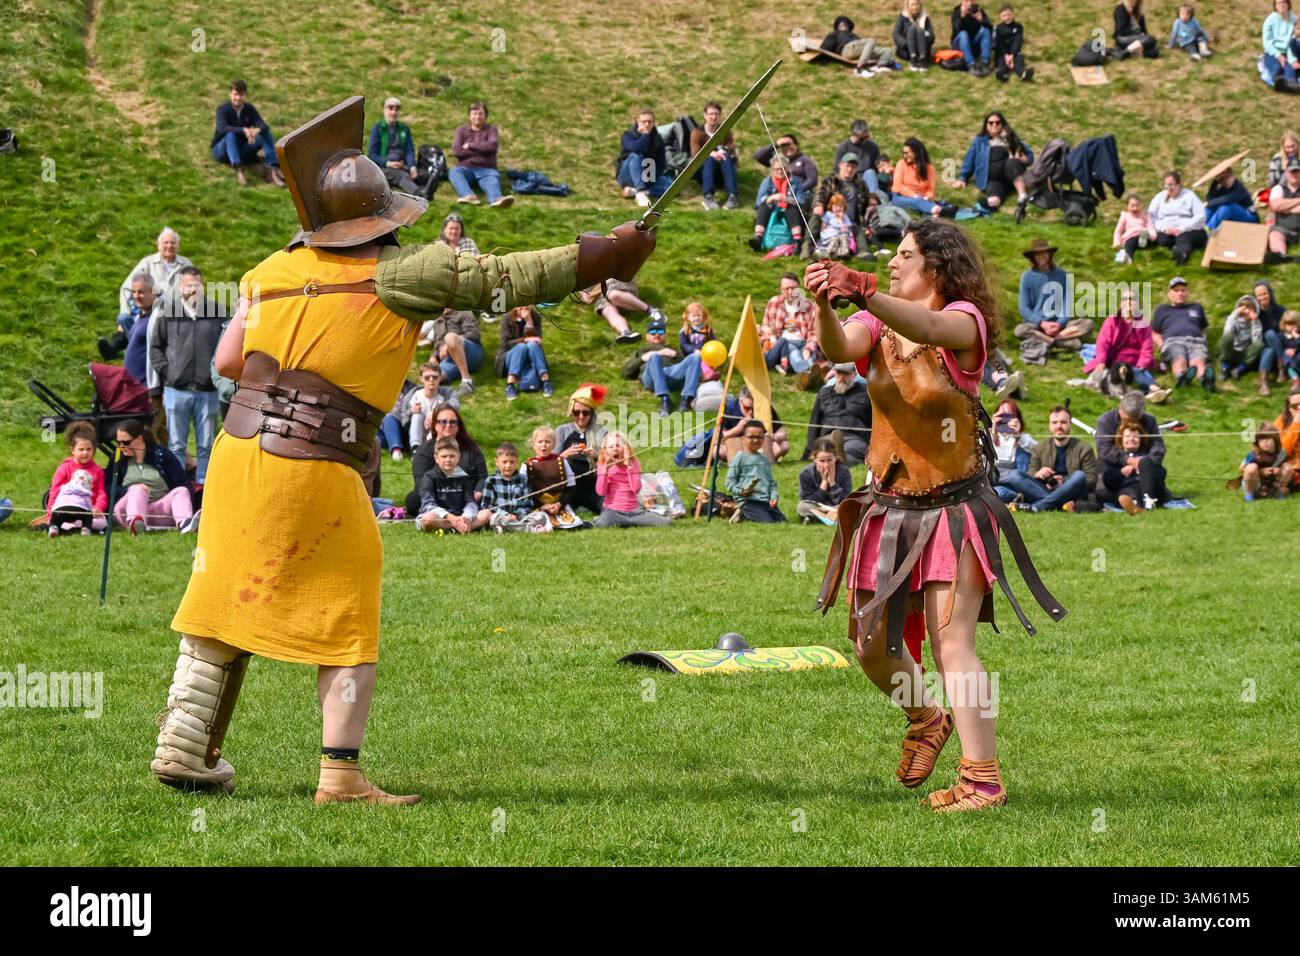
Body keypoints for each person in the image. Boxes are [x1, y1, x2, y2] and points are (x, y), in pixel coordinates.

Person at [155, 96, 653, 802]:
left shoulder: (267, 271)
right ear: (381, 219)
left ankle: (184, 746)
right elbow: (511, 276)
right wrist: (610, 254)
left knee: (223, 592)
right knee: (345, 607)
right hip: (315, 461)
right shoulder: (399, 274)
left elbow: (232, 359)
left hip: (238, 453)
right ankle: (341, 775)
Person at [805, 219, 1066, 813]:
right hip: (889, 508)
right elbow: (839, 348)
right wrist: (826, 304)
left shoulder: (963, 321)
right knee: (872, 648)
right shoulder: (873, 322)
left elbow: (923, 324)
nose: (893, 263)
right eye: (891, 256)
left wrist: (863, 287)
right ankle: (926, 718)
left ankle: (982, 781)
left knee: (953, 643)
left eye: (904, 256)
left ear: (937, 268)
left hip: (954, 510)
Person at [151, 266, 225, 484]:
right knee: (176, 444)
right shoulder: (167, 312)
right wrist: (167, 371)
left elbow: (226, 345)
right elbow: (156, 347)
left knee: (207, 443)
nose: (193, 289)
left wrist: (216, 375)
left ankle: (203, 486)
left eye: (197, 285)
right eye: (188, 285)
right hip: (176, 390)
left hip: (208, 390)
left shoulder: (217, 312)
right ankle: (178, 485)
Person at [104, 230, 193, 360]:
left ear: (178, 246)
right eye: (166, 243)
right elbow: (126, 287)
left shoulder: (186, 264)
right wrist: (126, 311)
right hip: (147, 310)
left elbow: (194, 289)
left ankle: (123, 346)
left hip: (174, 313)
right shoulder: (147, 262)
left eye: (173, 243)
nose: (169, 246)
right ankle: (138, 347)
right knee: (124, 318)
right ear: (158, 245)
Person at [1083, 288, 1169, 403]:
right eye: (1125, 299)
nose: (1128, 302)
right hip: (1113, 359)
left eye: (1132, 299)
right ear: (1121, 303)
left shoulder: (1144, 323)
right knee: (1093, 358)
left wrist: (1143, 363)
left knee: (1139, 374)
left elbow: (1147, 348)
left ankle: (1154, 391)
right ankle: (1148, 392)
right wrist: (1102, 361)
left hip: (1133, 361)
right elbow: (1103, 343)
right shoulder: (1112, 320)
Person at [111, 418, 195, 534]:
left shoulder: (162, 455)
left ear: (140, 438)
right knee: (138, 490)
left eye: (125, 442)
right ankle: (136, 524)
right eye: (118, 443)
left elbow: (184, 483)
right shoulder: (117, 457)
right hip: (125, 510)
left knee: (182, 490)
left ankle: (185, 524)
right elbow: (107, 487)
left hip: (156, 510)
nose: (121, 446)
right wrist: (129, 489)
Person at [1015, 238, 1092, 364]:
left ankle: (1049, 340)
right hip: (1038, 325)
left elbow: (1067, 305)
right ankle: (1061, 342)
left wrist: (1059, 324)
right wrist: (1042, 323)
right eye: (1038, 254)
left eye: (1044, 253)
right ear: (1033, 257)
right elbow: (1024, 308)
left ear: (1050, 255)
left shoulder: (1062, 275)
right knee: (1020, 330)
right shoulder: (1027, 277)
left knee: (1087, 324)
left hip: (1059, 325)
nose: (1041, 257)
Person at [405, 404, 486, 518]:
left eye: (453, 422)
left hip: (467, 496)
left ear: (458, 425)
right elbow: (420, 482)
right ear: (435, 425)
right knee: (413, 500)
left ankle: (466, 519)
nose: (448, 425)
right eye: (443, 422)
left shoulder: (471, 448)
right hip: (436, 496)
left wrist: (478, 492)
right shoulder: (424, 451)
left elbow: (483, 476)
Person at [1095, 390, 1169, 509]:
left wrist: (1144, 464)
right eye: (1127, 419)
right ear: (1120, 407)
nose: (1130, 424)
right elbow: (1105, 449)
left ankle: (1142, 501)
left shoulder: (1150, 421)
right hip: (1116, 470)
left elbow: (1158, 447)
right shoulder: (1105, 421)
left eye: (1135, 420)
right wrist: (1129, 461)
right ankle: (1137, 500)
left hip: (1144, 468)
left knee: (1157, 474)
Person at [951, 111, 1032, 212]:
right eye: (991, 123)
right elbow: (970, 158)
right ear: (986, 125)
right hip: (992, 180)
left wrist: (1021, 159)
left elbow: (1029, 156)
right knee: (992, 201)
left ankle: (1022, 196)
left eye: (997, 122)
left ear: (1002, 124)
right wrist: (963, 178)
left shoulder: (1012, 138)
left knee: (1012, 162)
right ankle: (989, 207)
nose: (994, 125)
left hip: (1011, 174)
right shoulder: (979, 141)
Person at [622, 311, 701, 415]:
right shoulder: (641, 351)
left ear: (665, 335)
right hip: (651, 378)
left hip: (672, 374)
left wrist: (676, 355)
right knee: (655, 357)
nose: (657, 334)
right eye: (653, 332)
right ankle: (665, 399)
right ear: (647, 336)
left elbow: (689, 368)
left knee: (695, 357)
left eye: (660, 331)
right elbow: (625, 373)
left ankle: (686, 399)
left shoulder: (672, 349)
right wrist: (642, 358)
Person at [1019, 407, 1096, 512]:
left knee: (1079, 475)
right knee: (1015, 476)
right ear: (1049, 426)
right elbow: (1030, 473)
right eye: (1054, 422)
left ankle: (1037, 507)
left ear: (1070, 425)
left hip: (1074, 492)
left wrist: (1065, 481)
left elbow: (1091, 480)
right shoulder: (1039, 448)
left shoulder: (1084, 448)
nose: (1059, 426)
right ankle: (1056, 503)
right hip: (1045, 489)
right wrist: (1038, 474)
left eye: (1063, 422)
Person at [210, 80, 285, 187]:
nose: (238, 98)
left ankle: (272, 169)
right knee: (230, 134)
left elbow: (263, 125)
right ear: (230, 94)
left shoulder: (249, 109)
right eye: (235, 94)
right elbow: (222, 129)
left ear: (245, 95)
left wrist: (256, 131)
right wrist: (244, 130)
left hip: (242, 148)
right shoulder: (223, 109)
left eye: (241, 95)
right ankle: (238, 169)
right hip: (222, 150)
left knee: (265, 133)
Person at [593, 432, 672, 528]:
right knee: (602, 523)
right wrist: (605, 469)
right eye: (611, 447)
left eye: (618, 445)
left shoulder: (634, 463)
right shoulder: (602, 464)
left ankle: (629, 521)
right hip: (613, 511)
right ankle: (601, 518)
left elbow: (636, 489)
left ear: (626, 449)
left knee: (666, 523)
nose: (615, 449)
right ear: (605, 450)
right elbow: (600, 492)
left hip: (635, 512)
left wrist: (629, 466)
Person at [44, 422, 108, 536]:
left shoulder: (98, 470)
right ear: (72, 450)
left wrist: (99, 507)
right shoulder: (64, 468)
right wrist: (50, 514)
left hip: (87, 511)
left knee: (102, 523)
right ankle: (76, 526)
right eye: (81, 449)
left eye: (88, 449)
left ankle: (75, 527)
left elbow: (101, 492)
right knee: (60, 518)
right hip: (66, 509)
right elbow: (54, 492)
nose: (85, 453)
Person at [414, 437, 490, 533]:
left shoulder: (464, 477)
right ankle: (460, 528)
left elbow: (471, 502)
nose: (448, 459)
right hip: (440, 517)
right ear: (436, 458)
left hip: (460, 516)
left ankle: (455, 529)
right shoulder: (429, 477)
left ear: (458, 457)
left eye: (452, 456)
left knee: (486, 514)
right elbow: (428, 505)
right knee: (428, 519)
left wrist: (465, 517)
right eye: (444, 456)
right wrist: (450, 518)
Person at [1152, 276, 1214, 391]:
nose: (1180, 293)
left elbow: (1203, 329)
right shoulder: (1162, 309)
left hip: (1196, 341)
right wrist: (1162, 344)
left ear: (1187, 293)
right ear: (1169, 294)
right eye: (1176, 291)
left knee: (1198, 361)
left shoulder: (1196, 307)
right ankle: (1182, 378)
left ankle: (1205, 380)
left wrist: (1203, 340)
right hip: (1173, 341)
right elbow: (1154, 332)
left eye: (1183, 290)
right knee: (1179, 359)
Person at [803, 362, 872, 465]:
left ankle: (838, 460)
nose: (841, 377)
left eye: (845, 374)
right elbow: (814, 424)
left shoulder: (866, 393)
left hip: (855, 438)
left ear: (854, 374)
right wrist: (808, 451)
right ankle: (836, 459)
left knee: (852, 451)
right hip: (828, 437)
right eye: (839, 373)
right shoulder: (824, 393)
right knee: (825, 449)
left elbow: (875, 422)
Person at [555, 384, 608, 516]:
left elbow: (610, 464)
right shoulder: (562, 430)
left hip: (593, 485)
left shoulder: (602, 432)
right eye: (576, 412)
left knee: (606, 509)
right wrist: (564, 455)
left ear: (592, 413)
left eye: (585, 413)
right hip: (569, 488)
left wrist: (597, 456)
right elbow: (551, 463)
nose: (581, 417)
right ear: (570, 412)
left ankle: (586, 505)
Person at [449, 101, 512, 208]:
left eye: (480, 114)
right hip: (465, 168)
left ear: (485, 116)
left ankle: (496, 199)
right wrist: (483, 149)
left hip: (486, 169)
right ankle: (468, 196)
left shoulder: (491, 130)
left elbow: (492, 146)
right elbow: (457, 151)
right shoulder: (461, 130)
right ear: (469, 116)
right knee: (454, 172)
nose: (477, 116)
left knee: (492, 179)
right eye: (474, 113)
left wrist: (470, 145)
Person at [806, 154, 869, 258]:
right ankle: (807, 248)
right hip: (831, 221)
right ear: (840, 165)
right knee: (815, 217)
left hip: (851, 223)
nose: (849, 169)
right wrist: (819, 204)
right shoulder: (830, 180)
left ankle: (864, 252)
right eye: (847, 166)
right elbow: (820, 194)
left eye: (853, 167)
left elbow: (866, 205)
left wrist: (867, 224)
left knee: (859, 230)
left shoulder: (861, 184)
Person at [523, 425, 585, 530]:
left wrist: (559, 504)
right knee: (535, 521)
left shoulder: (562, 462)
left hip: (559, 506)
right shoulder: (526, 466)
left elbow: (571, 488)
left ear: (554, 444)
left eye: (547, 441)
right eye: (540, 441)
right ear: (533, 444)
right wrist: (542, 506)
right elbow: (524, 492)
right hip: (537, 506)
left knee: (574, 524)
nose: (544, 445)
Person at [725, 420, 785, 522]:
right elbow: (729, 482)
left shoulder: (765, 459)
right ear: (743, 439)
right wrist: (741, 492)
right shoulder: (739, 458)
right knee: (767, 522)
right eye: (751, 437)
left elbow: (771, 482)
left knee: (782, 522)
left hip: (765, 501)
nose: (756, 440)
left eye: (759, 437)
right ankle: (741, 514)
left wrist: (773, 496)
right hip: (749, 501)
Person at [576, 278, 667, 344]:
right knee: (607, 310)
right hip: (600, 296)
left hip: (616, 284)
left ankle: (652, 311)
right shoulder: (581, 272)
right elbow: (586, 297)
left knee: (613, 295)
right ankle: (626, 332)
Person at [1104, 420, 1170, 512]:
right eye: (1127, 436)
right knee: (1128, 494)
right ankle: (1135, 505)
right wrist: (1121, 472)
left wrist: (1141, 467)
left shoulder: (1148, 456)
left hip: (1153, 489)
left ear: (1140, 439)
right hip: (1128, 487)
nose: (1131, 439)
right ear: (1121, 439)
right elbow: (1108, 480)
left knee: (1145, 462)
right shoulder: (1116, 458)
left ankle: (1149, 502)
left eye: (1135, 436)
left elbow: (1162, 473)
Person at [481, 442, 544, 533]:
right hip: (499, 516)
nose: (508, 466)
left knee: (540, 516)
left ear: (517, 462)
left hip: (519, 518)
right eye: (504, 462)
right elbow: (486, 506)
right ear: (497, 462)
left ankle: (507, 528)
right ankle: (531, 529)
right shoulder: (491, 481)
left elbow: (528, 505)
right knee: (493, 518)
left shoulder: (523, 480)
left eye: (512, 462)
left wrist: (516, 515)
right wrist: (506, 515)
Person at [1148, 170, 1208, 266]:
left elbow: (1200, 215)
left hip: (1188, 230)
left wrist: (1181, 228)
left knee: (1183, 237)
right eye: (1166, 185)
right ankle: (1177, 247)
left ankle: (1183, 255)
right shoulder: (1160, 197)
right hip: (1168, 230)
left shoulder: (1189, 196)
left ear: (1179, 184)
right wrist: (1164, 228)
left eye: (1171, 185)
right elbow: (1151, 215)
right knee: (1162, 239)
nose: (1169, 188)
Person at [617, 109, 674, 208]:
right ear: (637, 121)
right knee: (635, 156)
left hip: (647, 174)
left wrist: (650, 179)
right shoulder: (628, 135)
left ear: (654, 122)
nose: (647, 124)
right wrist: (645, 135)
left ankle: (637, 191)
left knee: (673, 187)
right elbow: (637, 148)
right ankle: (641, 190)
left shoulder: (658, 139)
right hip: (627, 174)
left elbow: (661, 164)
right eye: (644, 121)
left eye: (650, 121)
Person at [1218, 295, 1273, 396]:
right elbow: (1227, 331)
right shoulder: (1234, 319)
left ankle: (1239, 369)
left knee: (1260, 345)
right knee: (1227, 337)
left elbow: (1256, 340)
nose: (1246, 311)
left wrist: (1254, 322)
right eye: (1243, 307)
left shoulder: (1256, 322)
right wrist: (1235, 314)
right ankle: (1225, 368)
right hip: (1232, 352)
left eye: (1249, 308)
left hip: (1244, 354)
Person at [495, 305, 554, 399]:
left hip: (531, 355)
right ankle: (510, 384)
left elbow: (537, 340)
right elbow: (505, 343)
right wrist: (525, 340)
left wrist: (529, 322)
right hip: (509, 356)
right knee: (521, 347)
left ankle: (545, 380)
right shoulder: (507, 318)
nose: (525, 306)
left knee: (533, 345)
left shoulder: (536, 317)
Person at [420, 307, 483, 393]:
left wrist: (448, 344)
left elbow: (474, 334)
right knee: (431, 375)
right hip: (451, 359)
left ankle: (467, 382)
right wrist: (434, 356)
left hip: (472, 353)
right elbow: (438, 344)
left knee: (450, 337)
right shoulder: (438, 320)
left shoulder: (464, 312)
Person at [690, 101, 738, 210]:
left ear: (720, 116)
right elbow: (695, 154)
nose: (713, 117)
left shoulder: (725, 131)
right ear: (705, 115)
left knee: (725, 156)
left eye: (716, 114)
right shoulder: (697, 133)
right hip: (703, 172)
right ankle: (708, 196)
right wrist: (711, 153)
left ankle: (732, 196)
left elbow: (731, 148)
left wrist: (724, 151)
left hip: (723, 170)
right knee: (709, 159)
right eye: (711, 114)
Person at [720, 387, 788, 462]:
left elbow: (782, 432)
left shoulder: (765, 407)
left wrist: (774, 437)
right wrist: (738, 429)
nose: (751, 412)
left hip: (761, 447)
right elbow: (720, 437)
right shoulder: (729, 409)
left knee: (784, 446)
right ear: (740, 401)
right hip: (738, 448)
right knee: (718, 450)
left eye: (754, 409)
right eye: (747, 408)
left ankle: (761, 461)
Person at [367, 96, 419, 195]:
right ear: (385, 110)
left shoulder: (404, 129)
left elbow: (409, 150)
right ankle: (419, 193)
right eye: (390, 109)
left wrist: (412, 166)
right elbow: (372, 155)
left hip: (402, 164)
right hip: (383, 167)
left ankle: (424, 187)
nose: (393, 112)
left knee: (421, 174)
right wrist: (388, 163)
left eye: (396, 109)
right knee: (402, 175)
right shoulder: (378, 128)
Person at [988, 400, 1038, 504]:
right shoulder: (987, 436)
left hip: (1017, 482)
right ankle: (1020, 498)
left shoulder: (1023, 438)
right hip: (997, 484)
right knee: (998, 493)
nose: (1006, 420)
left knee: (1022, 450)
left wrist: (1018, 435)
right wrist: (992, 432)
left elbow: (1039, 450)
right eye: (1002, 416)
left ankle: (1021, 496)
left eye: (1009, 416)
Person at [798, 438, 855, 524]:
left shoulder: (844, 472)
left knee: (851, 507)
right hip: (817, 507)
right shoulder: (806, 473)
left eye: (829, 460)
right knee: (802, 506)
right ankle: (830, 519)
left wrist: (832, 483)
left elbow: (845, 500)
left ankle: (818, 518)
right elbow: (808, 499)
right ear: (814, 459)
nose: (826, 465)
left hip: (837, 507)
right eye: (822, 461)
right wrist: (824, 483)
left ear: (835, 458)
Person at [751, 161, 804, 252]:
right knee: (764, 206)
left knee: (792, 207)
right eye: (777, 169)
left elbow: (801, 201)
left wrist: (787, 199)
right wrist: (771, 198)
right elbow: (758, 201)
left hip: (789, 208)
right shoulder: (767, 182)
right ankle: (758, 238)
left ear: (787, 169)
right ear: (773, 170)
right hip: (772, 209)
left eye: (782, 169)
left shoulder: (796, 181)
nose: (780, 171)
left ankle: (797, 241)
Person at [754, 133, 819, 202]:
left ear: (796, 145)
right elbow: (758, 156)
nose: (787, 147)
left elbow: (812, 181)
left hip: (801, 194)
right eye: (784, 145)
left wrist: (796, 190)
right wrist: (776, 144)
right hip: (778, 193)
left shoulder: (805, 160)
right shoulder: (778, 161)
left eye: (789, 144)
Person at [407, 362, 458, 449]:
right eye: (427, 378)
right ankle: (415, 449)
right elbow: (403, 417)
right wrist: (411, 410)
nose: (431, 380)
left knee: (443, 417)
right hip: (417, 431)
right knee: (417, 415)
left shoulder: (444, 395)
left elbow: (456, 404)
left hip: (437, 431)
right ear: (421, 379)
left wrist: (435, 412)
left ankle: (432, 446)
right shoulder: (415, 394)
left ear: (440, 378)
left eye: (435, 377)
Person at [120, 273, 160, 382]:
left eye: (141, 292)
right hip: (134, 386)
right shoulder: (141, 314)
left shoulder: (159, 317)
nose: (136, 296)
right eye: (134, 292)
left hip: (147, 388)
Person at [891, 138, 944, 218]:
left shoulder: (929, 168)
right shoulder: (901, 164)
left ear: (916, 153)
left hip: (922, 198)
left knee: (922, 205)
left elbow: (930, 189)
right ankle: (939, 210)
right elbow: (897, 186)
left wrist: (927, 197)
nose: (905, 156)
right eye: (903, 153)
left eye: (907, 153)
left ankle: (933, 216)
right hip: (900, 197)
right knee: (917, 202)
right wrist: (914, 196)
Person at [1202, 161, 1257, 230]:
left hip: (1250, 217)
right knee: (1209, 208)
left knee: (1227, 208)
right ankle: (1200, 229)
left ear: (1230, 175)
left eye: (1225, 178)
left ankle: (1208, 229)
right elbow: (1210, 199)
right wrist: (1215, 181)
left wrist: (1208, 203)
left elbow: (1227, 199)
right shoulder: (1223, 189)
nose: (1223, 181)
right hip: (1234, 218)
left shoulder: (1239, 188)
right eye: (1221, 180)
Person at [1254, 280, 1288, 385]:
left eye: (1265, 294)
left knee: (1270, 334)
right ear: (1255, 298)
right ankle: (1265, 381)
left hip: (1281, 348)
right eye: (1259, 295)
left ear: (1270, 294)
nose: (1262, 297)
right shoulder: (1255, 313)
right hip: (1264, 349)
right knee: (1268, 347)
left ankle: (1281, 369)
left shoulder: (1281, 310)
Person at [1266, 157, 1300, 262]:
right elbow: (1275, 206)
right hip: (1282, 229)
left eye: (1297, 171)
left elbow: (1280, 206)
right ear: (1286, 172)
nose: (1294, 174)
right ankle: (1280, 256)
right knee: (1275, 235)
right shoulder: (1278, 188)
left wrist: (1286, 208)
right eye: (1292, 171)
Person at [832, 120, 881, 193]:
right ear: (853, 135)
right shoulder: (843, 148)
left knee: (870, 173)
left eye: (867, 137)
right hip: (850, 176)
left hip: (866, 177)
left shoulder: (873, 147)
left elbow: (877, 167)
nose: (865, 140)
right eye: (862, 138)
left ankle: (874, 199)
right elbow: (837, 169)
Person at [950, 1, 994, 75]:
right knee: (964, 34)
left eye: (971, 0)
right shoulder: (957, 11)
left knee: (985, 31)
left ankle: (984, 62)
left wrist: (982, 20)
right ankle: (971, 65)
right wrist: (962, 16)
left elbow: (991, 29)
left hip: (973, 43)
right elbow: (957, 29)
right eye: (967, 1)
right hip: (959, 45)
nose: (969, 3)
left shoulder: (978, 10)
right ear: (962, 2)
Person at [1112, 192, 1158, 264]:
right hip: (1132, 236)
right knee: (1129, 244)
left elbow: (1150, 226)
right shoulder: (1125, 216)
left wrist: (1153, 236)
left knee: (1153, 241)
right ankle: (1129, 258)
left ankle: (1144, 239)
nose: (1135, 208)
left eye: (1137, 205)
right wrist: (1117, 242)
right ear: (1127, 206)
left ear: (1141, 205)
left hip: (1143, 234)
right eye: (1132, 206)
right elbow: (1118, 230)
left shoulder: (1144, 215)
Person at [992, 4, 1034, 82]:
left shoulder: (1019, 26)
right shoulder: (998, 28)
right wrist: (1006, 55)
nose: (1007, 17)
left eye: (1009, 15)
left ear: (1013, 14)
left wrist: (1012, 54)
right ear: (1000, 17)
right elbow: (999, 43)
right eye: (1004, 16)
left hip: (1015, 53)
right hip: (1002, 54)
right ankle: (1002, 74)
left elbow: (1018, 41)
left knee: (1017, 63)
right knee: (1001, 63)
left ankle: (1023, 74)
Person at [1262, 0, 1298, 90]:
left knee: (1290, 68)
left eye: (1284, 2)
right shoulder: (1270, 20)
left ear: (1288, 4)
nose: (1282, 5)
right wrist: (1278, 55)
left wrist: (1292, 59)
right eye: (1279, 3)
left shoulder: (1294, 20)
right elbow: (1267, 42)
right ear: (1275, 6)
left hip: (1289, 52)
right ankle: (1279, 81)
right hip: (1273, 52)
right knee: (1276, 67)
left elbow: (1294, 40)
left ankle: (1291, 84)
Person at [893, 0, 937, 70]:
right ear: (908, 6)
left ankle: (922, 60)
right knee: (912, 29)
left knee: (919, 30)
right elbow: (896, 34)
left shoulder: (925, 17)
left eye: (916, 5)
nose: (915, 7)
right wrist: (906, 44)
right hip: (907, 49)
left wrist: (924, 40)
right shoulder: (902, 17)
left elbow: (931, 36)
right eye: (912, 5)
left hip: (922, 48)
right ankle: (913, 60)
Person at [1277, 310, 1300, 381]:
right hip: (1288, 355)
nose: (1290, 327)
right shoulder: (1282, 335)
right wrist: (1286, 350)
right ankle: (1294, 377)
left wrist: (1297, 337)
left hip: (1298, 354)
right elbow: (1280, 346)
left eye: (1293, 324)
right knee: (1286, 358)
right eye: (1288, 325)